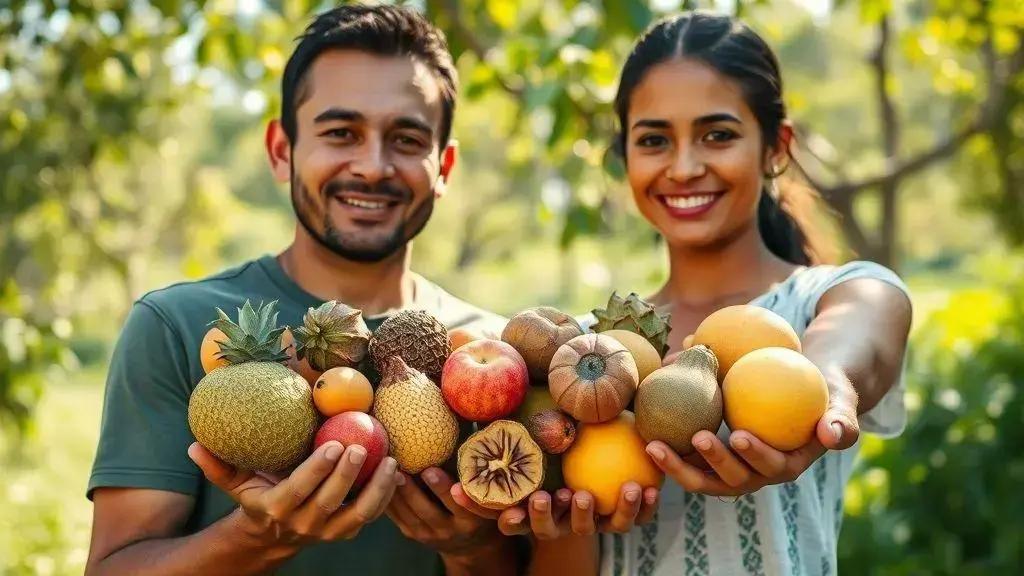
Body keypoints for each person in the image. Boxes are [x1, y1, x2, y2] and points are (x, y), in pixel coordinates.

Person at [456, 11, 913, 576]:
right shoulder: (583, 356)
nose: (685, 167)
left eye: (717, 135)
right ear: (625, 157)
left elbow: (850, 344)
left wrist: (826, 389)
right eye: (654, 140)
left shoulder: (839, 294)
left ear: (776, 147)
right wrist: (567, 528)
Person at [85, 5, 519, 575]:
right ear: (281, 150)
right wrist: (254, 539)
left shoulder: (496, 351)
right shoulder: (177, 327)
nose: (372, 166)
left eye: (407, 138)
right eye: (341, 133)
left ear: (445, 166)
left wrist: (475, 550)